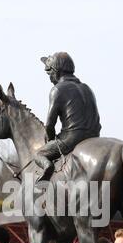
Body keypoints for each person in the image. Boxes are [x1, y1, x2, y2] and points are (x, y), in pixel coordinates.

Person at [35, 51, 101, 182]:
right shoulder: (87, 88)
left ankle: (48, 168)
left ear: (55, 71)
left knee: (39, 154)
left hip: (72, 139)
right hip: (95, 136)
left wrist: (51, 138)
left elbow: (49, 125)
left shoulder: (57, 89)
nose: (49, 77)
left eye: (49, 73)